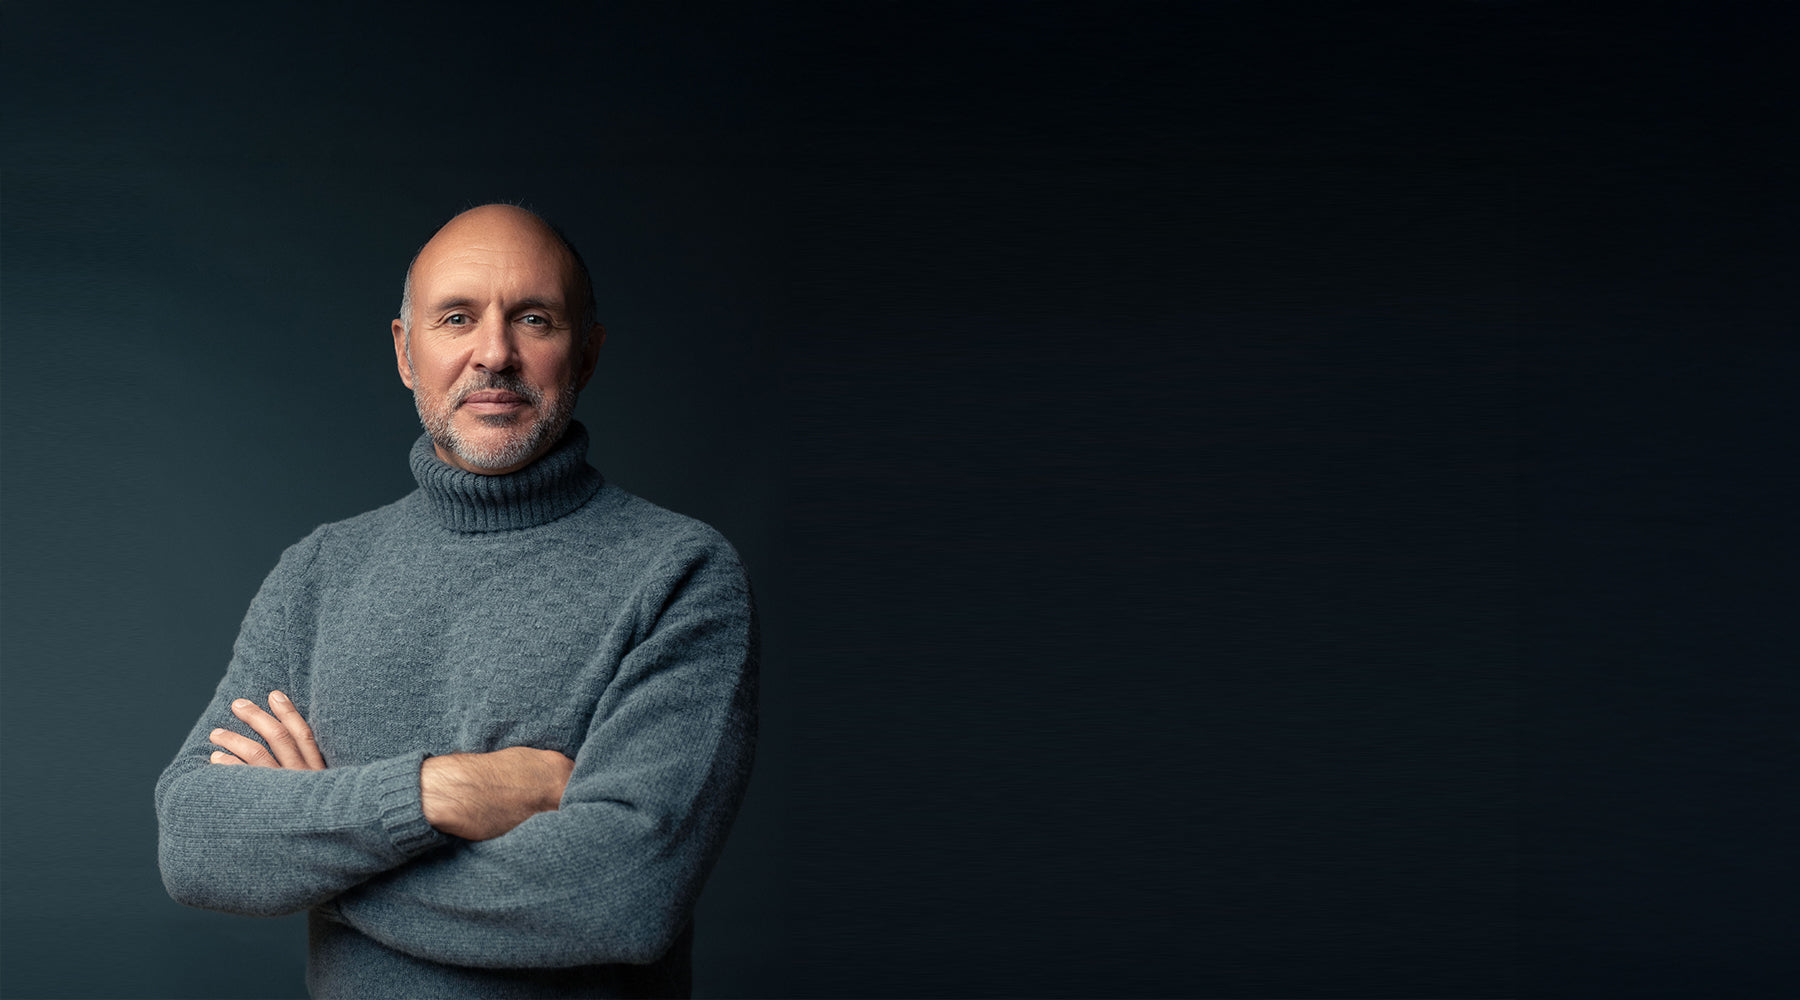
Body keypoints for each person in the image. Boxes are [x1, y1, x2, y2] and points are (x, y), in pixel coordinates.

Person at [154, 204, 758, 999]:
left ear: (586, 354)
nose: (495, 353)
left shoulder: (681, 570)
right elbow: (195, 839)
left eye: (534, 319)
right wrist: (441, 793)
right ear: (407, 352)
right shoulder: (319, 573)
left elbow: (621, 895)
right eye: (457, 317)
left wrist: (318, 859)